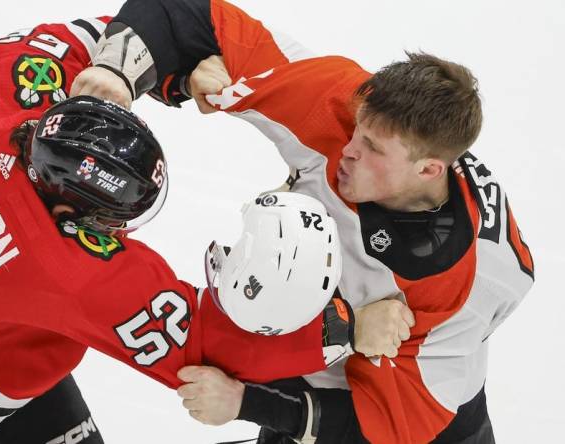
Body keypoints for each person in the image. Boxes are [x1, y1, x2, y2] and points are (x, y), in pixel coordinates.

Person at [0, 15, 410, 444]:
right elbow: (208, 348)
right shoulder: (68, 267)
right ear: (69, 215)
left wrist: (119, 72)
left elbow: (74, 39)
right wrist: (348, 331)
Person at [72, 0, 535, 442]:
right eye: (358, 129)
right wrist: (115, 75)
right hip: (318, 361)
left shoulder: (456, 288)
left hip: (425, 419)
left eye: (373, 148)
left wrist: (245, 402)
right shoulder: (338, 103)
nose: (348, 150)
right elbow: (185, 16)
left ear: (430, 170)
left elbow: (389, 432)